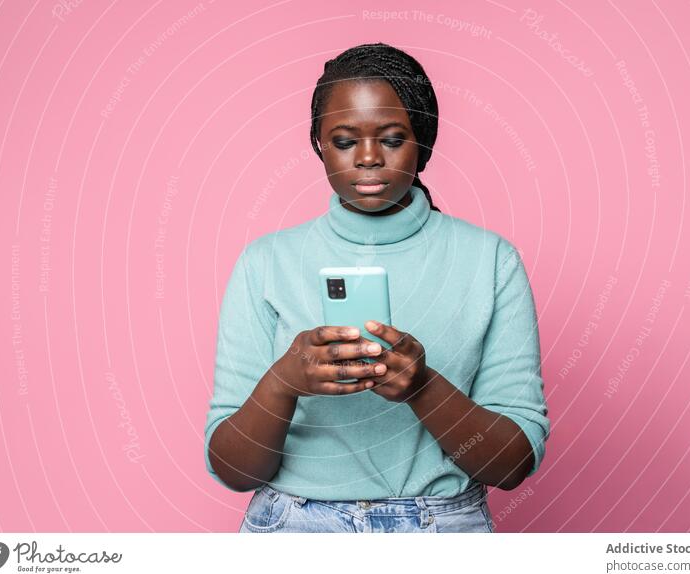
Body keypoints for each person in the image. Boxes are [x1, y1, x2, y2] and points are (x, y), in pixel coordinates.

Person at [204, 42, 550, 533]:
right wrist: (283, 384)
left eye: (392, 138)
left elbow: (512, 465)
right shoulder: (265, 262)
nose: (368, 159)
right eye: (345, 142)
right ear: (319, 144)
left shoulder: (491, 261)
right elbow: (234, 469)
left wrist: (423, 388)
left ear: (423, 141)